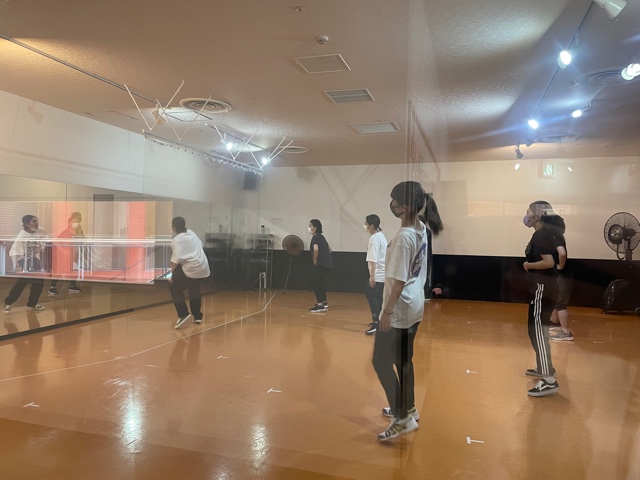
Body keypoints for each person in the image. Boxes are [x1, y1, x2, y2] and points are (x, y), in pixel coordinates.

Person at [373, 181, 443, 441]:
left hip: (400, 309)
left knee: (380, 361)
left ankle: (402, 418)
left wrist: (386, 312)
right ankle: (409, 408)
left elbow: (399, 281)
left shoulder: (404, 237)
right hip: (414, 305)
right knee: (403, 360)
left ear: (403, 207)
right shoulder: (421, 228)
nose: (391, 204)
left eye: (394, 200)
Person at [522, 201, 560, 396]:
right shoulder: (544, 233)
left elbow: (548, 262)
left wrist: (528, 266)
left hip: (542, 289)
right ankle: (542, 366)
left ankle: (548, 379)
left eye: (528, 212)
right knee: (534, 330)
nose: (525, 215)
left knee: (538, 331)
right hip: (543, 288)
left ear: (537, 215)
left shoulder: (542, 235)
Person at [170, 217, 210, 329]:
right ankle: (197, 316)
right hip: (202, 265)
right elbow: (200, 245)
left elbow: (175, 261)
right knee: (194, 287)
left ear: (174, 228)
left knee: (174, 287)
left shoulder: (176, 240)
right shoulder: (191, 233)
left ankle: (183, 314)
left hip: (191, 267)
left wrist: (170, 275)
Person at [4, 215, 48, 312]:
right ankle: (9, 302)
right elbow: (14, 252)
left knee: (39, 283)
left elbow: (45, 240)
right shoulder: (22, 235)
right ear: (27, 224)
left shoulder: (40, 230)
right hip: (24, 260)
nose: (36, 223)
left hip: (35, 260)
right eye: (33, 221)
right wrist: (17, 266)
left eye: (36, 221)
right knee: (22, 282)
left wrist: (40, 247)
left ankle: (32, 303)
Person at [546, 215, 573, 341]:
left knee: (560, 303)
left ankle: (565, 332)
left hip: (561, 275)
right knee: (556, 299)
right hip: (562, 274)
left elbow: (562, 253)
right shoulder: (558, 236)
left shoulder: (555, 237)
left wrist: (560, 266)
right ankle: (555, 322)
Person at [49, 212, 83, 295]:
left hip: (73, 255)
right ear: (69, 223)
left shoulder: (78, 232)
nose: (76, 223)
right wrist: (63, 251)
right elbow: (56, 242)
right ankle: (52, 287)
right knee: (59, 271)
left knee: (74, 270)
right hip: (64, 256)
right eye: (74, 222)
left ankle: (72, 286)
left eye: (77, 222)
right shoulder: (66, 232)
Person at [364, 214, 387, 335]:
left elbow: (373, 259)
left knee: (370, 294)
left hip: (378, 273)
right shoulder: (381, 236)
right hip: (382, 272)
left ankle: (376, 322)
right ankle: (380, 320)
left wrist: (372, 276)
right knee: (377, 296)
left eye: (366, 224)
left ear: (372, 225)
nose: (365, 226)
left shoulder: (374, 239)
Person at [308, 219, 333, 313]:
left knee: (316, 283)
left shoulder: (315, 237)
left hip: (322, 263)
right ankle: (324, 302)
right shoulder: (321, 237)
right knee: (320, 282)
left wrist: (315, 260)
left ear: (315, 228)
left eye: (310, 226)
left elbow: (316, 249)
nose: (309, 228)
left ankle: (320, 305)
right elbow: (330, 249)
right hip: (328, 263)